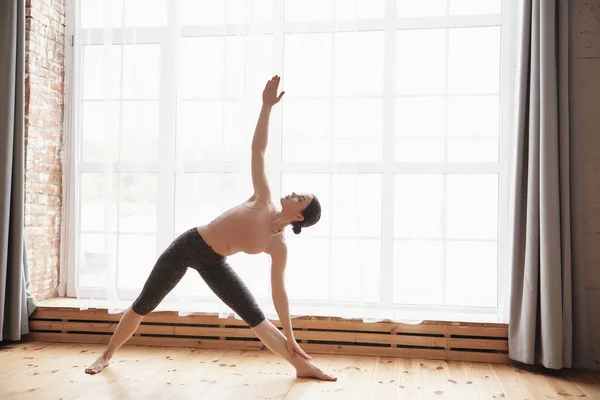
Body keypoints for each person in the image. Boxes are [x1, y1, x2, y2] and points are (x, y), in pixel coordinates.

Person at [85, 75, 337, 381]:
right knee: (144, 304)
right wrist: (266, 108)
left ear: (299, 217)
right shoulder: (263, 198)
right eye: (299, 192)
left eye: (300, 198)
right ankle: (106, 355)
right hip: (188, 246)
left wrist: (292, 335)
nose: (294, 193)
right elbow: (257, 151)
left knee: (256, 318)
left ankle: (302, 365)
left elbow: (279, 292)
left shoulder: (278, 245)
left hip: (215, 262)